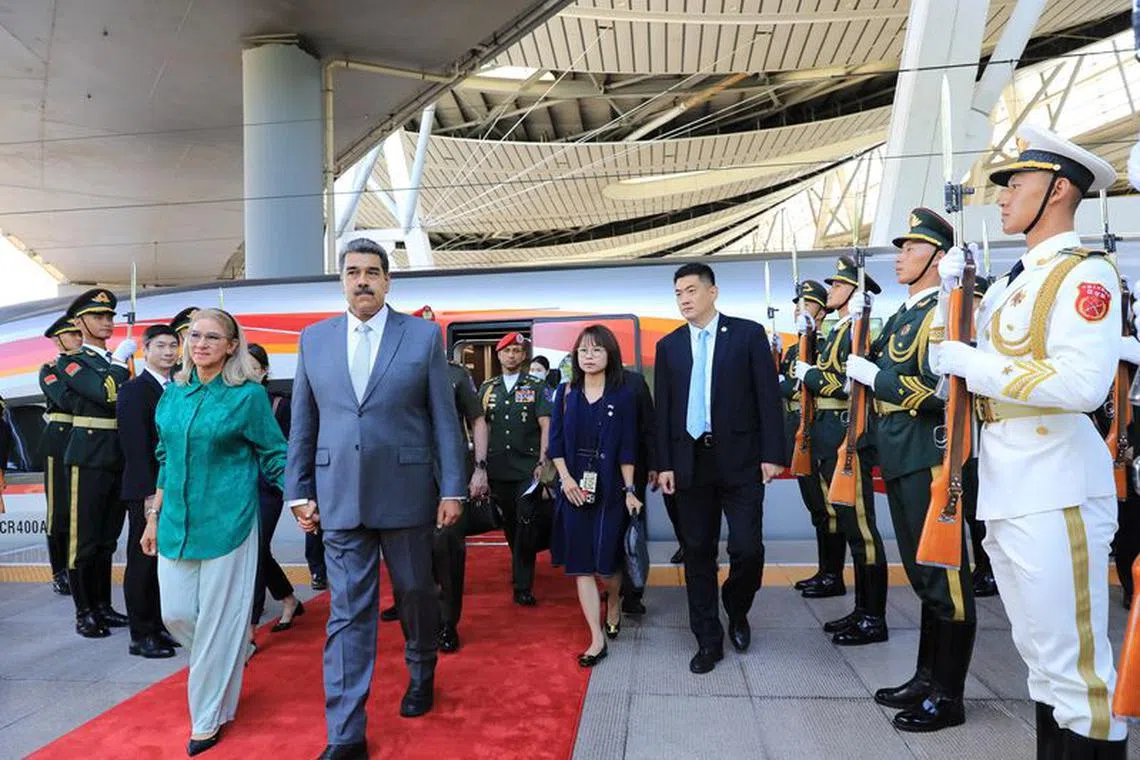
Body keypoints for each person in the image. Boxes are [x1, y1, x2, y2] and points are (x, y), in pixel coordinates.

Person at [932, 124, 1127, 755]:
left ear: (1060, 189)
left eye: (1018, 182)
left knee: (1078, 673)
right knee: (1041, 662)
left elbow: (1083, 384)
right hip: (1008, 483)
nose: (1004, 195)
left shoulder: (1085, 275)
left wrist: (971, 362)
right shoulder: (1015, 280)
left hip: (1056, 485)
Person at [285, 238, 465, 760]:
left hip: (407, 494)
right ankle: (345, 734)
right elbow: (304, 422)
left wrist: (452, 486)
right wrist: (299, 489)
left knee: (414, 593)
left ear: (388, 282)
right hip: (338, 495)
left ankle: (421, 669)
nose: (362, 280)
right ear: (341, 281)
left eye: (372, 272)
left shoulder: (423, 336)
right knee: (346, 614)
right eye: (352, 272)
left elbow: (443, 420)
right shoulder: (314, 340)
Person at [845, 208, 977, 731]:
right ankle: (927, 676)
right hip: (900, 455)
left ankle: (949, 694)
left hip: (928, 453)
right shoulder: (906, 314)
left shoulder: (943, 310)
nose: (900, 257)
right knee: (924, 576)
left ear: (938, 257)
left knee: (946, 576)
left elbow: (938, 393)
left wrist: (876, 378)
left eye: (910, 248)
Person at [141, 308, 288, 755]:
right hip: (175, 524)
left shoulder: (247, 398)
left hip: (230, 522)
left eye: (212, 337)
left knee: (219, 624)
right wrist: (152, 517)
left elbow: (274, 454)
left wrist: (303, 500)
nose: (200, 343)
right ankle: (230, 653)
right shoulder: (174, 395)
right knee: (178, 615)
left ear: (231, 346)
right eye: (194, 336)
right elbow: (165, 457)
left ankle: (205, 721)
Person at [655, 263, 785, 674]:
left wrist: (772, 453)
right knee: (697, 552)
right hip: (690, 461)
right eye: (678, 293)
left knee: (748, 548)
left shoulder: (747, 335)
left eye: (692, 290)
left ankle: (737, 604)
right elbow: (665, 412)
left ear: (713, 292)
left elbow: (768, 398)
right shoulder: (669, 346)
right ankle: (708, 639)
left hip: (742, 459)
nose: (685, 299)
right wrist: (664, 464)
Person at [381, 319, 490, 655]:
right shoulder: (388, 370)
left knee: (447, 552)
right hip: (400, 476)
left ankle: (446, 624)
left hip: (446, 473)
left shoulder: (455, 374)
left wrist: (480, 469)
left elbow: (477, 419)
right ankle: (411, 609)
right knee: (405, 551)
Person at [796, 257, 889, 646]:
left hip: (849, 435)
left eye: (837, 285)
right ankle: (861, 611)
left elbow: (849, 384)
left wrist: (811, 375)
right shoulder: (838, 331)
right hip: (828, 434)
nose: (830, 290)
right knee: (848, 526)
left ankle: (874, 617)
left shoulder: (860, 330)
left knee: (863, 530)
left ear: (854, 291)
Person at [549, 325, 640, 667]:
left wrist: (630, 489)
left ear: (610, 355)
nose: (589, 357)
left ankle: (613, 600)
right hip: (573, 486)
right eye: (583, 351)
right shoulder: (565, 392)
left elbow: (628, 447)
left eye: (597, 350)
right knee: (581, 563)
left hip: (610, 485)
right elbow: (555, 442)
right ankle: (595, 638)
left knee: (608, 560)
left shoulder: (623, 394)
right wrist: (566, 479)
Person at [56, 289, 136, 638]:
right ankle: (84, 610)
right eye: (99, 316)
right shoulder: (72, 361)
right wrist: (119, 363)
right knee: (84, 540)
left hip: (118, 456)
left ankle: (103, 606)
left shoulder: (111, 361)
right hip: (88, 458)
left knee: (106, 540)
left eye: (109, 316)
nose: (107, 322)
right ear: (79, 322)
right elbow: (108, 395)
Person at [117, 323, 181, 659]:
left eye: (173, 345)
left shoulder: (178, 387)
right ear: (145, 349)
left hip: (172, 488)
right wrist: (148, 496)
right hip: (147, 490)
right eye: (161, 346)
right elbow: (136, 448)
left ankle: (157, 626)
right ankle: (140, 635)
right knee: (142, 562)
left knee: (162, 562)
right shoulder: (134, 391)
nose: (169, 352)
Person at [780, 280, 846, 599]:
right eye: (797, 304)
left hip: (820, 430)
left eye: (805, 304)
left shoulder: (826, 344)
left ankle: (833, 575)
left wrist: (785, 383)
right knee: (816, 509)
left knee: (829, 508)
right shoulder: (794, 349)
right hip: (799, 432)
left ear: (821, 311)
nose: (798, 309)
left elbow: (803, 386)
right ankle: (824, 571)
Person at [478, 332, 552, 606]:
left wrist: (543, 463)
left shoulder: (535, 386)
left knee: (525, 519)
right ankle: (519, 562)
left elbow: (547, 425)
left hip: (526, 468)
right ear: (499, 355)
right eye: (507, 351)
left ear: (524, 356)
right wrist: (480, 467)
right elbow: (480, 426)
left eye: (517, 352)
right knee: (509, 521)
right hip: (498, 468)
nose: (512, 356)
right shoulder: (487, 388)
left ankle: (523, 583)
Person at [247, 344, 304, 641]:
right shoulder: (234, 401)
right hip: (238, 488)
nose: (246, 371)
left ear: (265, 371)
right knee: (256, 550)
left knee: (254, 551)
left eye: (253, 366)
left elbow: (291, 448)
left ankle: (250, 629)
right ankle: (288, 599)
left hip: (268, 488)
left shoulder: (280, 404)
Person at [39, 315, 84, 597]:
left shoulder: (88, 367)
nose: (78, 339)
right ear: (58, 340)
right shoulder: (50, 369)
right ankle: (59, 572)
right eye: (72, 335)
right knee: (59, 512)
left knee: (80, 512)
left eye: (80, 335)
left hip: (81, 439)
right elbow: (67, 399)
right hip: (59, 439)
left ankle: (76, 568)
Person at [963, 276, 997, 599]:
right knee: (972, 507)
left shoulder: (989, 341)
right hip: (968, 439)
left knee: (984, 510)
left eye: (975, 302)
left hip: (986, 437)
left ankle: (990, 570)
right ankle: (981, 567)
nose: (971, 308)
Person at [618, 366, 656, 617]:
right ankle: (612, 585)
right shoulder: (581, 384)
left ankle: (633, 593)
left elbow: (649, 425)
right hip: (596, 471)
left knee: (631, 530)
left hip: (634, 470)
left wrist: (654, 464)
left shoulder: (633, 383)